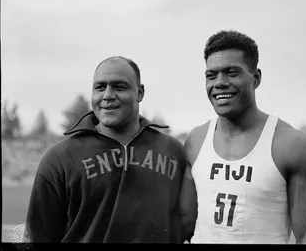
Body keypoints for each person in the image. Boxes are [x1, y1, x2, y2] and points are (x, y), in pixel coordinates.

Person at [179, 30, 306, 244]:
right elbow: (185, 224)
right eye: (211, 75)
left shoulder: (291, 144)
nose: (219, 82)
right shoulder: (196, 141)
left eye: (231, 72)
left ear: (256, 78)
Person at [24, 56, 186, 243]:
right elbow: (37, 237)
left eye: (119, 87)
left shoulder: (173, 151)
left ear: (140, 92)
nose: (107, 95)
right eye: (100, 87)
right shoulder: (60, 158)